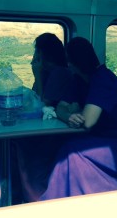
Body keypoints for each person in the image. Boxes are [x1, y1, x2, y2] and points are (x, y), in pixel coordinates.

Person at [39, 37, 117, 201]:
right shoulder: (78, 80)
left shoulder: (103, 79)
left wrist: (72, 116)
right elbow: (61, 107)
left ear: (71, 62)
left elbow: (88, 121)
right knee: (56, 145)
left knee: (72, 151)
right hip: (101, 137)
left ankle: (55, 200)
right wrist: (69, 116)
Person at [13, 33, 73, 203]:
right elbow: (35, 96)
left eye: (37, 52)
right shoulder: (49, 73)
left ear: (43, 53)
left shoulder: (60, 73)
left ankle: (35, 196)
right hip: (46, 125)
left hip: (56, 130)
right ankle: (22, 194)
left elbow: (42, 102)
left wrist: (37, 74)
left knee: (25, 147)